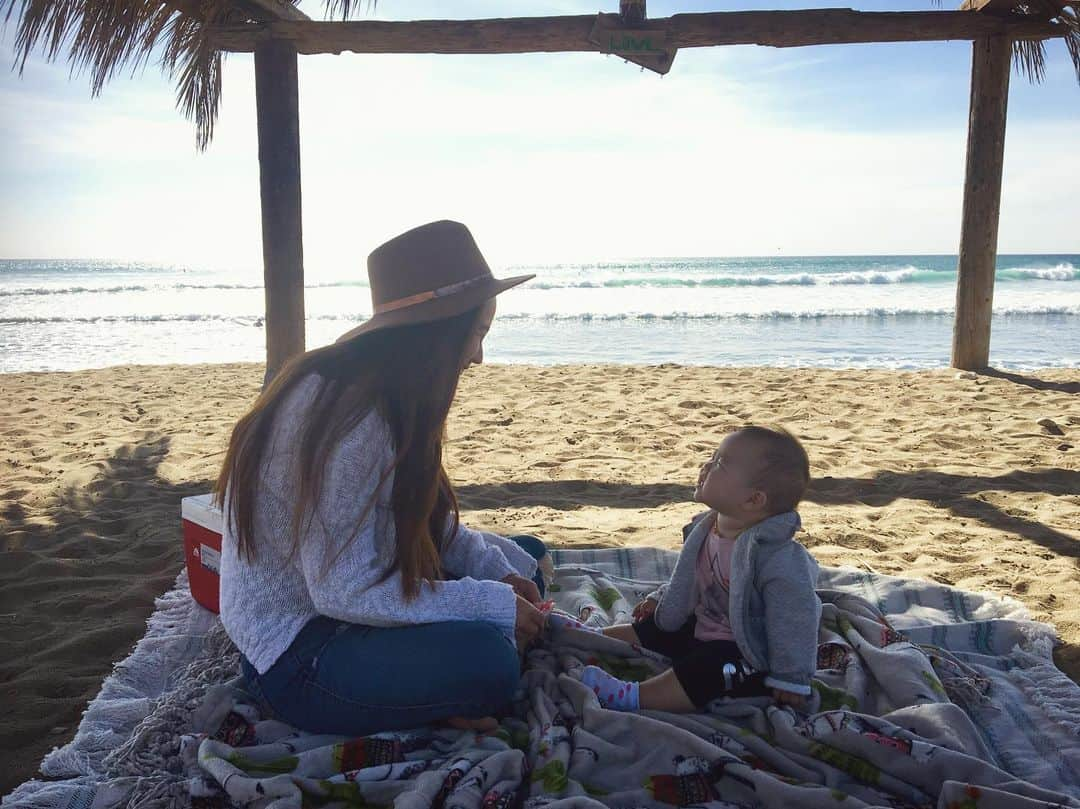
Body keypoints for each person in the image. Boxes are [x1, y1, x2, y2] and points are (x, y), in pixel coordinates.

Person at [215, 220, 549, 736]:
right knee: (491, 662)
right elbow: (340, 592)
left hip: (346, 598)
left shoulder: (388, 395)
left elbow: (427, 523)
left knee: (524, 558)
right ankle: (439, 695)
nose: (479, 357)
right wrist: (489, 603)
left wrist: (498, 578)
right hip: (298, 652)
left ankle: (430, 689)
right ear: (439, 334)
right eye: (477, 335)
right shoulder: (351, 421)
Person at [557, 426, 821, 713]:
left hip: (749, 653)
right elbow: (689, 576)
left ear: (753, 500)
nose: (707, 466)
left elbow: (797, 615)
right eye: (712, 457)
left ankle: (634, 696)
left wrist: (790, 677)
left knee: (709, 668)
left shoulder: (777, 557)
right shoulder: (706, 527)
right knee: (656, 628)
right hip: (704, 627)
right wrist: (661, 596)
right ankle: (590, 637)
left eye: (720, 463)